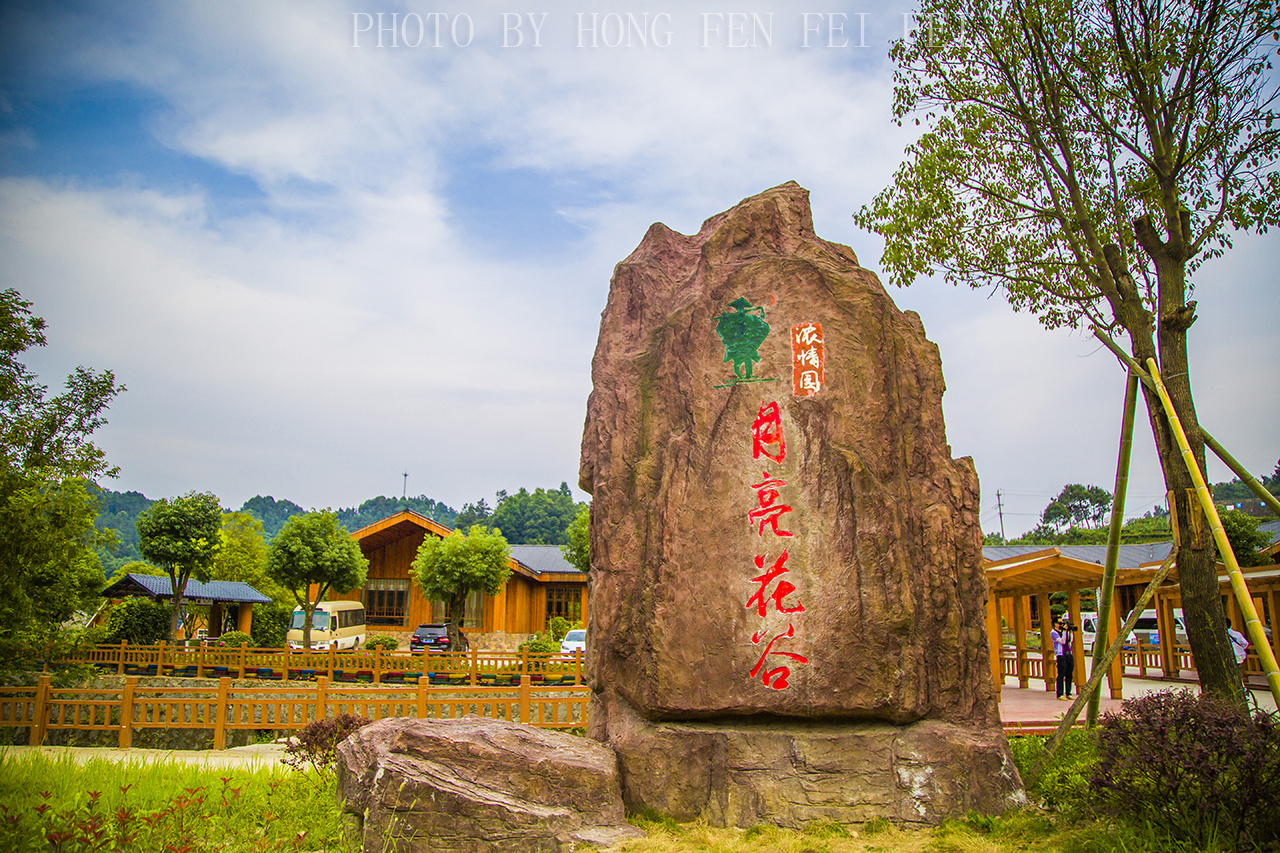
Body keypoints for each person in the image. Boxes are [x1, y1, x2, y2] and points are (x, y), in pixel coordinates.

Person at [1051, 617, 1075, 701]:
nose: (1061, 625)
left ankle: (1069, 693)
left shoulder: (1064, 632)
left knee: (1069, 674)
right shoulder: (1054, 633)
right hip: (1061, 655)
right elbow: (1062, 641)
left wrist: (1070, 632)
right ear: (1055, 624)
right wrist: (1064, 632)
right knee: (1061, 674)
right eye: (1059, 623)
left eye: (1062, 623)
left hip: (1069, 654)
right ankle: (1060, 694)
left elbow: (1070, 641)